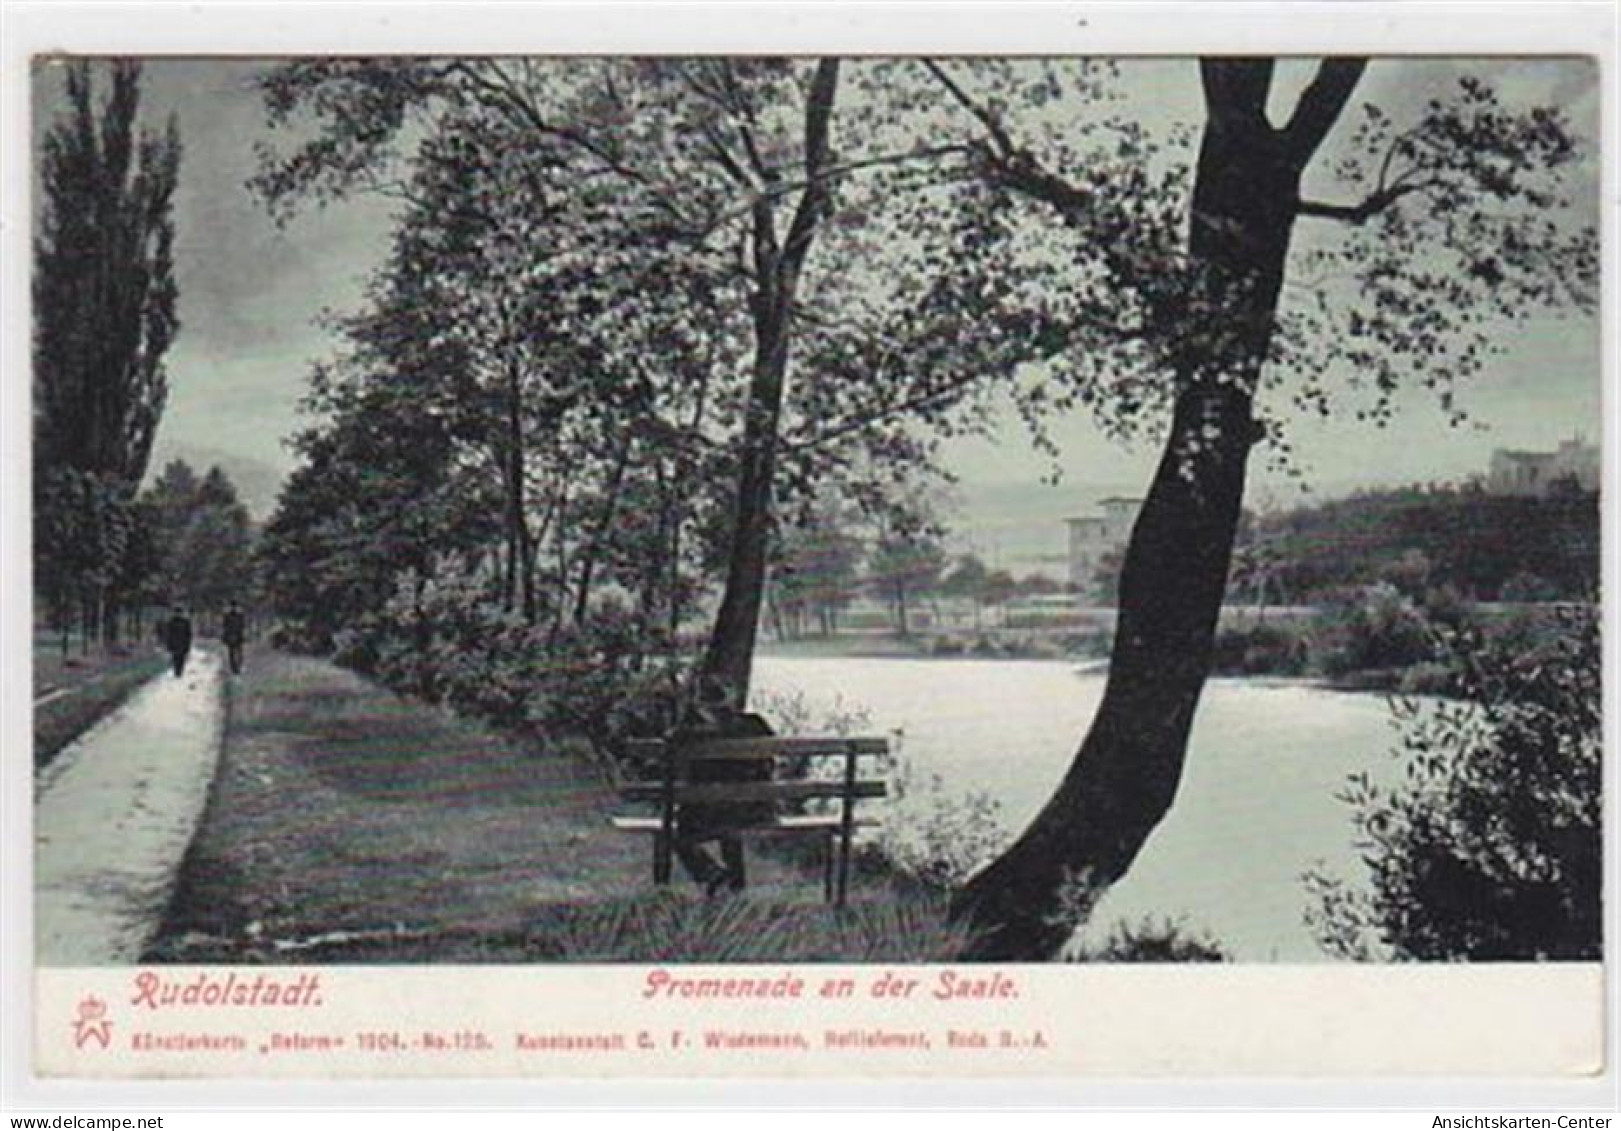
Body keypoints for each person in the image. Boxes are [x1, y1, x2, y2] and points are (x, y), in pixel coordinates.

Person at [670, 676, 776, 897]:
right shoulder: (755, 725)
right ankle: (736, 886)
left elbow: (671, 740)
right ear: (731, 699)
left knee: (678, 835)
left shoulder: (691, 734)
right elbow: (772, 755)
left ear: (702, 704)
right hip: (755, 810)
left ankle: (711, 874)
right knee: (730, 827)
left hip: (707, 812)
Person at [162, 604, 193, 678]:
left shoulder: (185, 622)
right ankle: (177, 671)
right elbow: (167, 634)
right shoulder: (171, 622)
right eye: (177, 612)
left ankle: (179, 671)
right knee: (176, 657)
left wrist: (188, 643)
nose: (178, 614)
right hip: (175, 643)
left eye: (179, 612)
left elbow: (188, 634)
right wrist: (168, 643)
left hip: (182, 643)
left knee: (181, 658)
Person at [222, 600, 247, 675]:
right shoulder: (240, 613)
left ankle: (235, 666)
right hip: (236, 634)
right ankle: (237, 666)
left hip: (232, 634)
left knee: (233, 651)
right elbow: (243, 625)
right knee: (237, 650)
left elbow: (224, 625)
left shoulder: (227, 614)